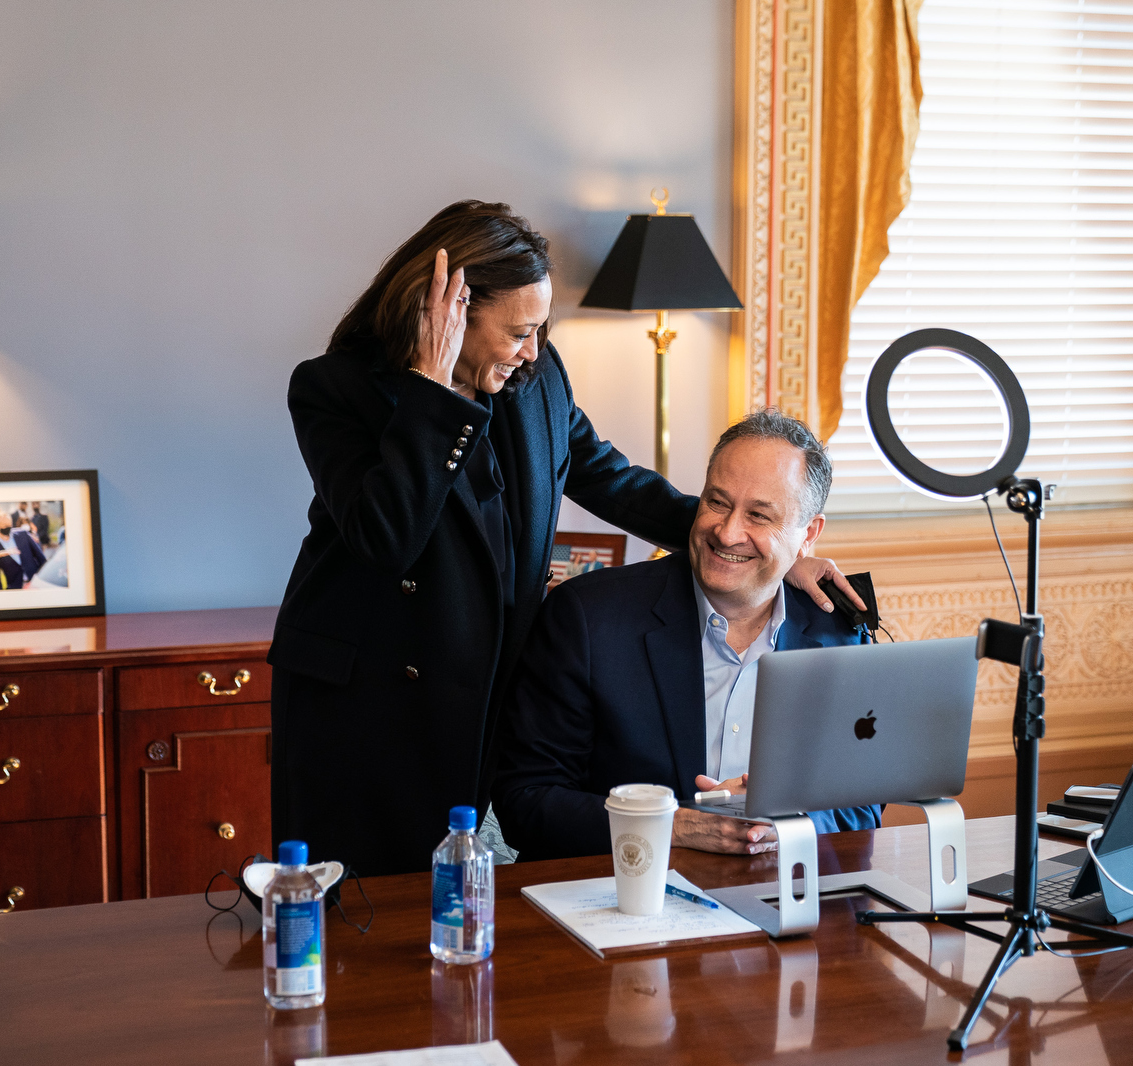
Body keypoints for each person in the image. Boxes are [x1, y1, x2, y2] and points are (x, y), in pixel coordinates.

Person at [269, 201, 863, 877]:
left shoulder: (535, 377)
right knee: (359, 903)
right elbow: (388, 536)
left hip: (477, 684)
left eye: (541, 329)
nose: (533, 348)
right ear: (451, 312)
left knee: (453, 892)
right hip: (366, 702)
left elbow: (609, 477)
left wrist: (745, 543)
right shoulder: (333, 389)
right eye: (519, 330)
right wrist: (431, 391)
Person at [493, 410, 880, 861]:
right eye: (717, 502)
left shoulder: (840, 633)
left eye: (758, 515)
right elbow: (526, 800)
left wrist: (791, 825)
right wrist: (672, 825)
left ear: (808, 534)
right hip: (623, 902)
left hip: (784, 903)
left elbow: (863, 803)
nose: (728, 532)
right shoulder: (587, 618)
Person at [0, 511, 46, 589]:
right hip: (15, 587)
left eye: (10, 525)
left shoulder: (23, 534)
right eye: (5, 525)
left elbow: (40, 556)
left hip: (35, 583)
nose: (8, 528)